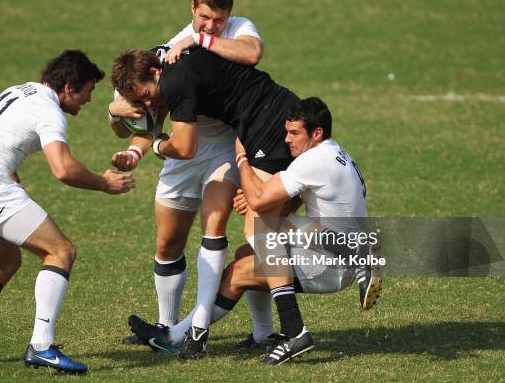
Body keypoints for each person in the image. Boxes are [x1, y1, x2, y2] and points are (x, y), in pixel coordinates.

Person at [128, 97, 382, 365]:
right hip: (331, 245)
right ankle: (263, 334)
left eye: (294, 133)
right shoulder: (333, 152)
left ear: (316, 133)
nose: (286, 139)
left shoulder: (313, 161)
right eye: (286, 132)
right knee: (247, 250)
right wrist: (257, 197)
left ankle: (178, 336)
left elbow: (260, 200)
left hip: (328, 267)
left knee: (241, 270)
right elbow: (283, 201)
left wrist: (241, 159)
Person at [0, 50, 134, 374]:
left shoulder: (19, 90)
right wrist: (104, 184)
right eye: (87, 91)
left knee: (5, 261)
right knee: (61, 251)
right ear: (69, 87)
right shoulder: (49, 111)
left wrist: (12, 179)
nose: (87, 100)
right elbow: (63, 169)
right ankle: (41, 346)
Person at [107, 0, 274, 360]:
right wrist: (118, 120)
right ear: (191, 8)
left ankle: (207, 331)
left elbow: (252, 54)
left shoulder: (238, 29)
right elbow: (146, 109)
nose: (210, 25)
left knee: (217, 228)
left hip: (224, 146)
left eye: (218, 19)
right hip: (183, 150)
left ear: (228, 15)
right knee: (167, 243)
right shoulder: (169, 50)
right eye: (203, 18)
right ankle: (167, 329)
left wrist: (203, 42)